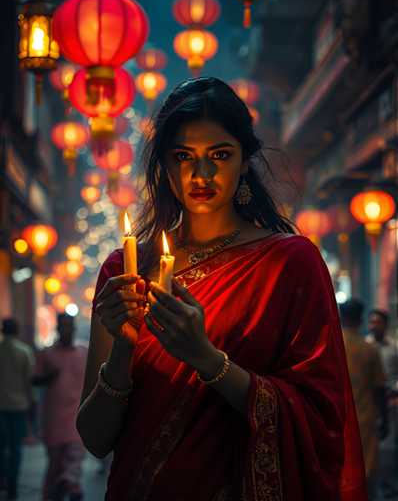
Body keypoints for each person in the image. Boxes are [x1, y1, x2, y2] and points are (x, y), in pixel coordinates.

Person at [77, 77, 367, 500]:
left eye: (220, 155)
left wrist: (205, 358)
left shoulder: (290, 263)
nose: (203, 173)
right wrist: (124, 347)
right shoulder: (127, 270)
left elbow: (320, 418)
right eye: (184, 156)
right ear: (164, 165)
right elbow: (95, 438)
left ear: (245, 160)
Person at [33, 313, 87, 501]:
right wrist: (49, 377)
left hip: (77, 419)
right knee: (55, 465)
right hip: (54, 419)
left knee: (74, 459)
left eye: (69, 325)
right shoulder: (47, 354)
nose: (66, 329)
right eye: (62, 326)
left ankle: (71, 485)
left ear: (73, 328)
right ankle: (56, 492)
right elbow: (34, 380)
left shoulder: (84, 352)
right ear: (57, 328)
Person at [340, 299, 389, 500]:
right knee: (365, 472)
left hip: (337, 417)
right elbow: (379, 389)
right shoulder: (369, 350)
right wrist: (384, 419)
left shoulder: (331, 345)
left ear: (341, 317)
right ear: (361, 320)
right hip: (364, 419)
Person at [0, 318, 34, 500]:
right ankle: (12, 486)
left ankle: (2, 481)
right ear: (17, 330)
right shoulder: (24, 351)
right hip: (18, 406)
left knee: (1, 447)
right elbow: (29, 382)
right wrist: (33, 404)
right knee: (16, 448)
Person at [366, 309, 398, 499]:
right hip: (370, 404)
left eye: (377, 322)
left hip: (392, 402)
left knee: (389, 446)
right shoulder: (365, 346)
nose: (373, 326)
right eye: (371, 322)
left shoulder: (393, 348)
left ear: (385, 324)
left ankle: (389, 485)